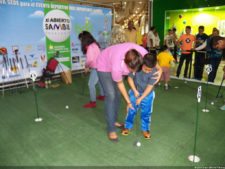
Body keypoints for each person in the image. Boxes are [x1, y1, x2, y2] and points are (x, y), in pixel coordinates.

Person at [96, 42, 162, 141]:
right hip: (104, 65)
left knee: (117, 94)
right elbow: (121, 83)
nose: (135, 72)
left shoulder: (142, 53)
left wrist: (159, 69)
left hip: (116, 60)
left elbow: (151, 61)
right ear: (127, 66)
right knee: (111, 95)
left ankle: (114, 120)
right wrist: (129, 102)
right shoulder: (117, 67)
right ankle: (111, 128)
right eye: (132, 70)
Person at [121, 53, 157, 139]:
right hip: (135, 91)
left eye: (150, 70)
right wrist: (134, 90)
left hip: (147, 95)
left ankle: (145, 129)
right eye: (146, 69)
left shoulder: (154, 71)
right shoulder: (137, 67)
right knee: (131, 109)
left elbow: (149, 87)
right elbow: (129, 78)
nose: (148, 71)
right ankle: (128, 126)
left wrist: (141, 98)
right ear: (142, 64)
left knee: (146, 113)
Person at [78, 31, 104, 108]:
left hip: (96, 67)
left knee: (91, 84)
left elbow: (90, 60)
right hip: (100, 67)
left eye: (81, 40)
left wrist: (86, 67)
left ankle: (93, 102)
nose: (80, 41)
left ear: (84, 39)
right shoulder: (95, 44)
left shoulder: (90, 47)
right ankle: (102, 95)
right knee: (99, 81)